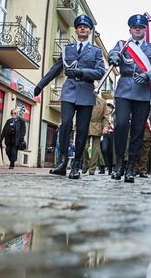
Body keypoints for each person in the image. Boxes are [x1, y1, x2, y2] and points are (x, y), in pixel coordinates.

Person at [34, 15, 105, 179]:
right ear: (76, 29)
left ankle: (76, 165)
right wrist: (40, 85)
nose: (82, 28)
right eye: (80, 26)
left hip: (86, 93)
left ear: (89, 31)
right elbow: (55, 69)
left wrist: (82, 72)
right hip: (69, 91)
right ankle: (63, 162)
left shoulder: (95, 51)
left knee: (81, 130)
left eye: (86, 27)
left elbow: (100, 72)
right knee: (65, 124)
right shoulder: (67, 50)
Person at [108, 14, 151, 183]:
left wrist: (147, 75)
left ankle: (131, 167)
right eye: (134, 27)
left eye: (140, 27)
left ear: (145, 30)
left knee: (138, 131)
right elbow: (113, 54)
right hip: (124, 89)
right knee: (121, 124)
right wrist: (113, 57)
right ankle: (119, 164)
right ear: (130, 30)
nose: (138, 29)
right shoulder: (122, 45)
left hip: (142, 92)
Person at [82, 95, 109, 175]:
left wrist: (105, 127)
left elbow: (105, 116)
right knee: (84, 147)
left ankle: (92, 168)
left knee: (95, 149)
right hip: (85, 125)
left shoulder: (102, 102)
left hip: (97, 125)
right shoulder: (84, 98)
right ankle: (86, 164)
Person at [100, 103, 115, 175]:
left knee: (111, 152)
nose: (109, 109)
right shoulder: (104, 116)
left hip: (113, 134)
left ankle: (110, 169)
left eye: (110, 108)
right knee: (104, 149)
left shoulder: (115, 116)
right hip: (105, 134)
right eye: (107, 108)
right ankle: (105, 165)